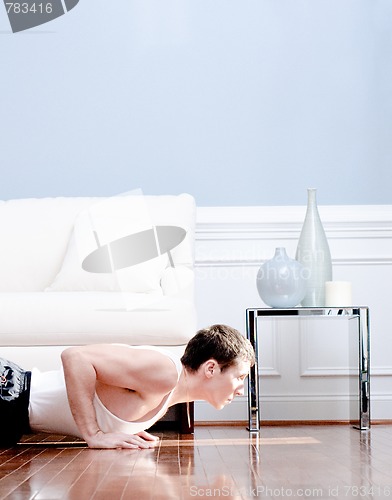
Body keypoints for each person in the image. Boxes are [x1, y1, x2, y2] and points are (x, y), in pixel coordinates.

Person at [0, 324, 255, 449]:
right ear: (211, 368)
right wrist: (94, 434)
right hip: (8, 390)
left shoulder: (167, 395)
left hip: (13, 420)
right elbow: (75, 357)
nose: (241, 390)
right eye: (240, 377)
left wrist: (123, 426)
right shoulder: (166, 374)